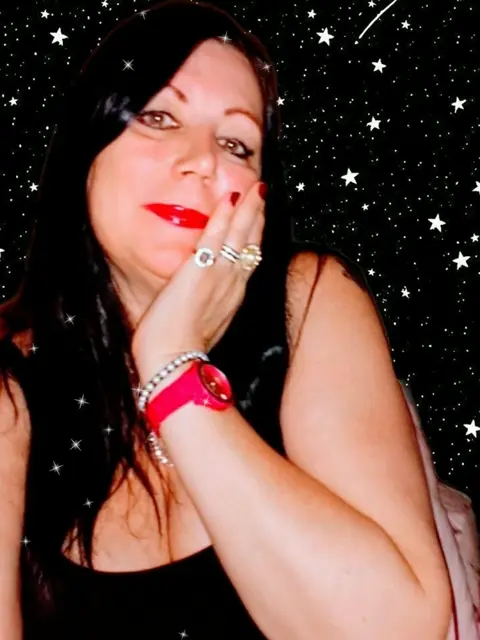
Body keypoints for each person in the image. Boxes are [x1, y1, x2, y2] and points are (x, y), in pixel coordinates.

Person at [0, 0, 477, 638]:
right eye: (158, 117)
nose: (202, 159)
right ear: (88, 146)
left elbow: (395, 629)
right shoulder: (11, 382)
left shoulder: (307, 301)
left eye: (235, 143)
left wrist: (174, 369)